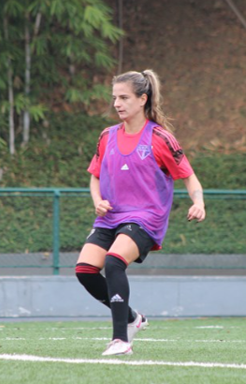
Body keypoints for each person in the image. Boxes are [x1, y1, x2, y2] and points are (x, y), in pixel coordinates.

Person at [75, 69, 206, 356]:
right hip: (110, 217)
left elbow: (189, 176)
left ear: (142, 99)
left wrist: (199, 202)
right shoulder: (106, 136)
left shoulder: (160, 138)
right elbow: (95, 176)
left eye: (124, 98)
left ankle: (121, 340)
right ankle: (133, 318)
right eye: (114, 98)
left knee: (113, 262)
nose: (117, 104)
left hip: (146, 218)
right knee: (84, 270)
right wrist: (97, 200)